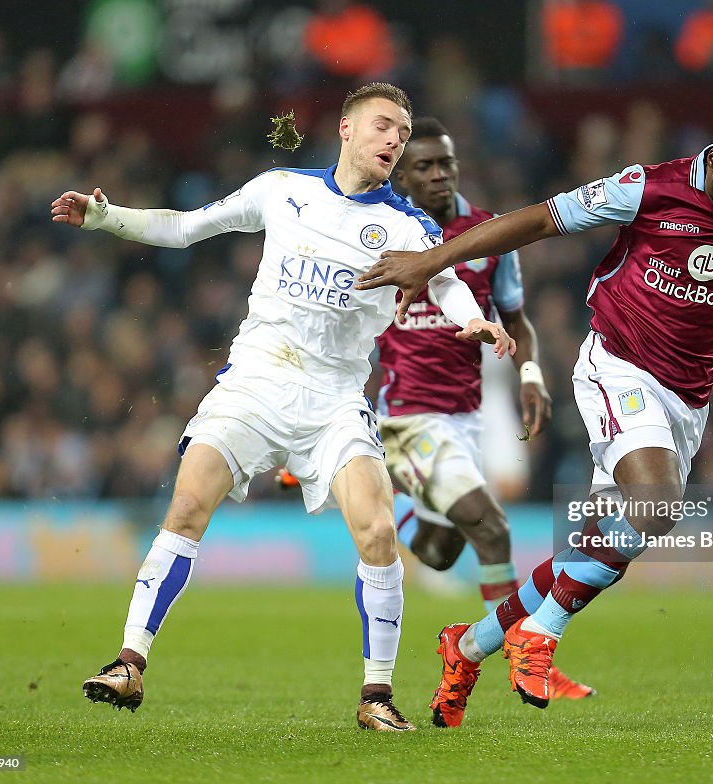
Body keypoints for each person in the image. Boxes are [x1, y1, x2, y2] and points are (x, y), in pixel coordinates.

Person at [356, 112, 713, 725]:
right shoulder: (648, 187)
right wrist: (432, 261)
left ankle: (468, 647)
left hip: (688, 399)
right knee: (657, 506)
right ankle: (541, 634)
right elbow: (534, 221)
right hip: (618, 364)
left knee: (600, 546)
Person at [50, 82, 514, 733]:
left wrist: (472, 322)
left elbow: (447, 279)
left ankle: (376, 696)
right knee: (186, 505)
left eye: (404, 135)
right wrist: (106, 218)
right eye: (385, 126)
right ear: (348, 129)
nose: (395, 141)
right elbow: (186, 228)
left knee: (379, 533)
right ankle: (129, 662)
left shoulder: (411, 225)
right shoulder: (281, 189)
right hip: (255, 387)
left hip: (333, 404)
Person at [377, 117, 595, 722]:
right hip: (406, 418)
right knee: (492, 528)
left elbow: (517, 318)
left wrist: (531, 376)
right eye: (424, 166)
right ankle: (516, 660)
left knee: (444, 549)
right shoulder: (376, 230)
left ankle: (387, 507)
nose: (440, 174)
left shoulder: (487, 234)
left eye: (446, 163)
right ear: (401, 173)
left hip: (467, 414)